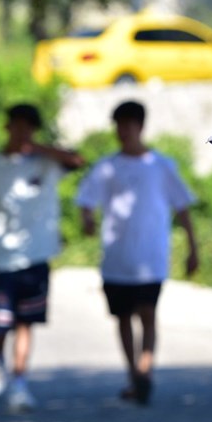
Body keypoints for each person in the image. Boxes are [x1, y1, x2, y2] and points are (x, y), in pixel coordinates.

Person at [0, 103, 84, 413]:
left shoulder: (46, 164)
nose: (22, 132)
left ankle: (19, 381)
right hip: (0, 256)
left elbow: (78, 161)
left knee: (26, 322)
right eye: (18, 126)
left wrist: (35, 147)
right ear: (7, 127)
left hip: (37, 256)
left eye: (29, 127)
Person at [76, 100, 199, 405]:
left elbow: (182, 207)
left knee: (147, 313)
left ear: (141, 126)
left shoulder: (161, 165)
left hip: (151, 255)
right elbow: (86, 199)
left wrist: (193, 247)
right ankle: (133, 373)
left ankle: (145, 369)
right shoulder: (107, 166)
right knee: (122, 317)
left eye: (130, 124)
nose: (125, 130)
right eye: (120, 124)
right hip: (117, 257)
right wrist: (88, 220)